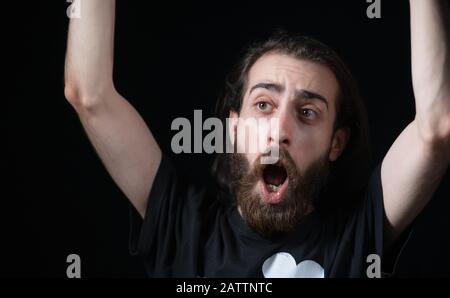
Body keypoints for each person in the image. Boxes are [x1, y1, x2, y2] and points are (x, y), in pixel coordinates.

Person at [64, 0, 450, 277]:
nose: (279, 131)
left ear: (336, 143)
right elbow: (90, 95)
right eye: (263, 105)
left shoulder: (357, 235)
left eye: (307, 112)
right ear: (233, 128)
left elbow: (436, 128)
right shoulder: (183, 228)